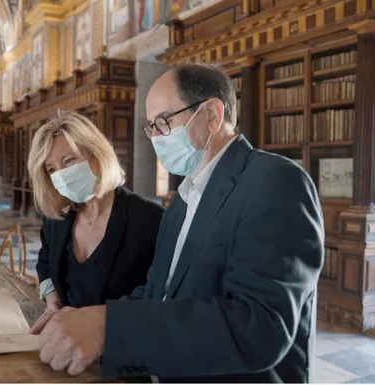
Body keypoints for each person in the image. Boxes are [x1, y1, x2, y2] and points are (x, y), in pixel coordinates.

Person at [31, 63, 324, 383]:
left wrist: (107, 326)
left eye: (163, 122)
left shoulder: (273, 181)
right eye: (151, 127)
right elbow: (159, 292)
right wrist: (89, 321)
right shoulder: (183, 199)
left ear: (212, 114)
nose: (156, 137)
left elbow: (260, 327)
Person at [28, 110, 165, 315]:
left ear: (96, 155)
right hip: (67, 333)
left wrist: (94, 324)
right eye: (52, 170)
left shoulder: (151, 219)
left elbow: (158, 293)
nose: (62, 176)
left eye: (69, 161)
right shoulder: (58, 217)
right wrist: (52, 299)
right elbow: (45, 259)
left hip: (121, 340)